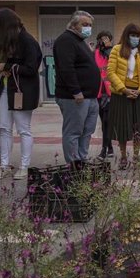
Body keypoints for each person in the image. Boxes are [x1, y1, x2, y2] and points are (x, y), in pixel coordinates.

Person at [0, 8, 43, 180]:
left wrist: (6, 67)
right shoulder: (7, 41)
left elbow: (31, 69)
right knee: (3, 128)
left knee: (23, 129)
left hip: (22, 91)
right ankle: (4, 165)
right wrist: (3, 67)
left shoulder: (28, 41)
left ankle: (24, 166)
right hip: (5, 89)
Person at [53, 11, 101, 165]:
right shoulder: (66, 40)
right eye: (84, 24)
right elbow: (66, 68)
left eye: (90, 25)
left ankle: (82, 160)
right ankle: (73, 164)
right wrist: (76, 91)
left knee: (87, 131)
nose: (88, 28)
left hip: (90, 97)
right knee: (73, 132)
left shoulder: (80, 41)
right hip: (75, 97)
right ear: (73, 25)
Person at [107, 23, 140, 169]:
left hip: (138, 94)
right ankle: (124, 156)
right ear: (126, 36)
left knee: (138, 128)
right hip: (121, 94)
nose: (135, 38)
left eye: (137, 36)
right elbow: (110, 72)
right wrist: (124, 89)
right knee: (122, 128)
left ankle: (137, 156)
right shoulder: (116, 50)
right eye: (132, 35)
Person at [94, 31, 114, 159]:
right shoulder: (95, 52)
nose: (104, 40)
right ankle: (110, 147)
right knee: (103, 122)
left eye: (106, 38)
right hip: (98, 91)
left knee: (107, 120)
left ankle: (104, 150)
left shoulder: (113, 51)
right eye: (101, 38)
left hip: (110, 91)